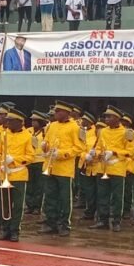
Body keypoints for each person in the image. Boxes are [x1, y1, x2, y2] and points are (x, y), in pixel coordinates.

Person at [39, 101, 86, 236]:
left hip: (64, 168)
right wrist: (45, 146)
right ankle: (50, 223)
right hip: (50, 166)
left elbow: (79, 147)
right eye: (56, 111)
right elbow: (47, 141)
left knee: (65, 198)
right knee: (50, 197)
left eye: (59, 111)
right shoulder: (52, 126)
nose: (56, 113)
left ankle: (65, 225)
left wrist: (62, 153)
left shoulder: (75, 127)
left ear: (67, 113)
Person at [91, 106, 134, 232]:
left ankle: (116, 221)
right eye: (105, 116)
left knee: (117, 197)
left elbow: (131, 152)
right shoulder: (103, 131)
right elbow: (99, 146)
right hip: (103, 166)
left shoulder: (127, 133)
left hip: (117, 167)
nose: (106, 118)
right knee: (102, 196)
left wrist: (114, 152)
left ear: (117, 118)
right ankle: (103, 220)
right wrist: (98, 153)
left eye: (109, 116)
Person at [0, 108, 36, 242]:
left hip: (18, 174)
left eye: (10, 121)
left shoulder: (28, 136)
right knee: (4, 204)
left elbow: (31, 157)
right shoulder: (3, 134)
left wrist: (14, 160)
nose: (8, 123)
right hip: (4, 173)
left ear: (19, 122)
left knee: (17, 206)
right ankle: (5, 229)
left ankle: (15, 231)